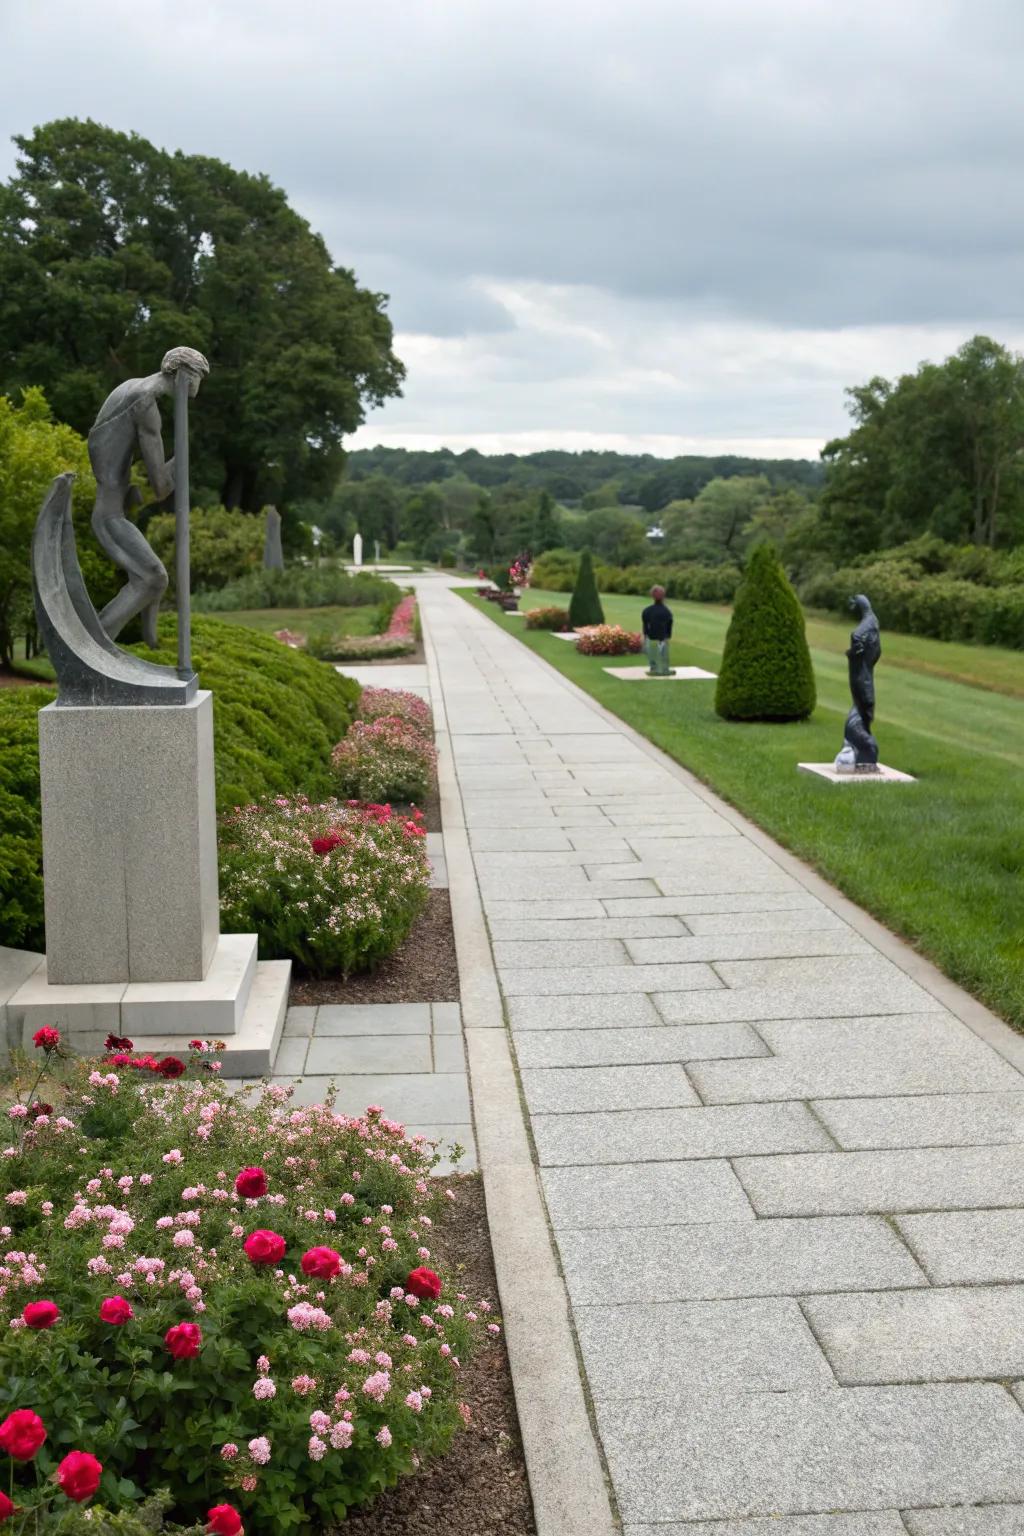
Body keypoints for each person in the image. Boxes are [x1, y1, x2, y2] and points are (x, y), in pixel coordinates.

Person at [87, 346, 210, 647]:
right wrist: (182, 458)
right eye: (196, 378)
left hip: (114, 507)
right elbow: (161, 487)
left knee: (151, 578)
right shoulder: (145, 404)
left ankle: (140, 642)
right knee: (154, 578)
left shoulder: (131, 388)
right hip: (110, 516)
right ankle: (97, 645)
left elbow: (132, 483)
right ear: (182, 374)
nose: (198, 386)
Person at [641, 585, 675, 676]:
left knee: (651, 651)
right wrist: (668, 636)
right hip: (663, 637)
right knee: (664, 653)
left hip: (651, 637)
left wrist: (645, 637)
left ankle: (654, 667)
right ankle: (664, 668)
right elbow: (669, 625)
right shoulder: (667, 611)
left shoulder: (647, 611)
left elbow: (645, 626)